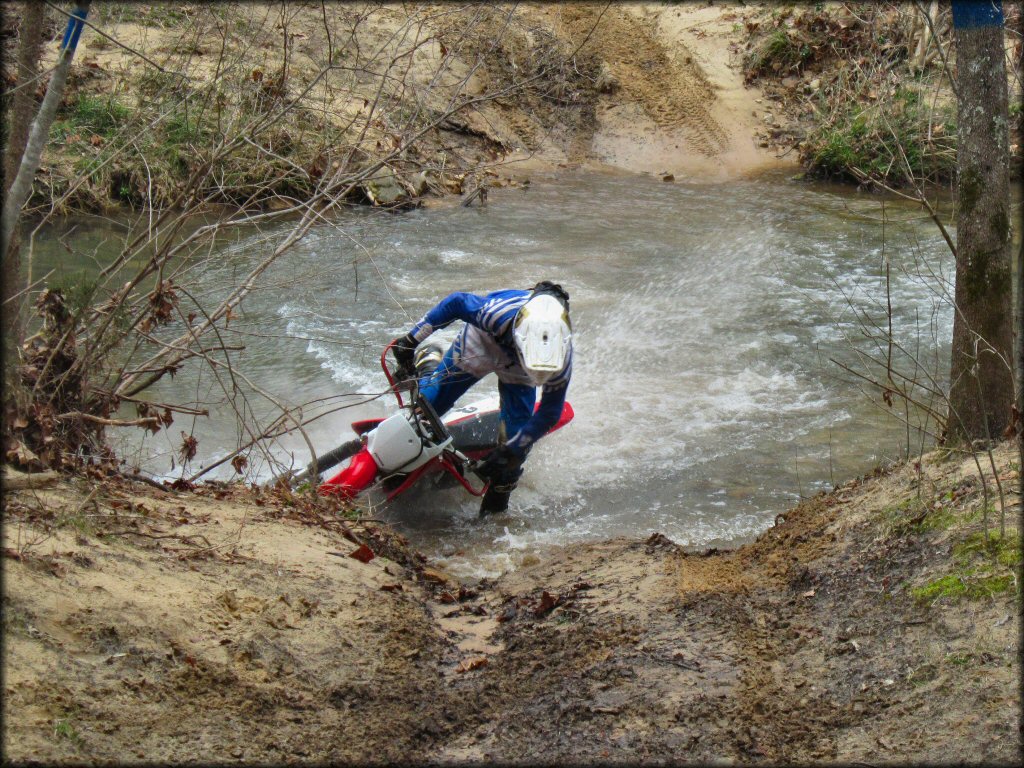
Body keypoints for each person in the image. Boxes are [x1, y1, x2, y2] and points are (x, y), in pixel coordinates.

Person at [390, 280, 573, 515]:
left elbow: (550, 412)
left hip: (519, 369)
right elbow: (456, 302)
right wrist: (411, 340)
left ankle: (492, 524)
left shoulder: (562, 352)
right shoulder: (496, 314)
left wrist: (510, 451)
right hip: (482, 341)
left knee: (513, 460)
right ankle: (428, 366)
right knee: (425, 410)